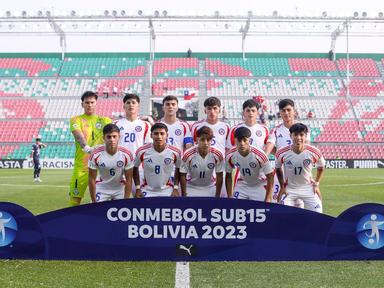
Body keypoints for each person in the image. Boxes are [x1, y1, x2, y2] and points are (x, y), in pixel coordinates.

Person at [69, 91, 112, 206]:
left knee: (106, 199)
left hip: (102, 167)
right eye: (87, 102)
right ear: (82, 104)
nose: (89, 105)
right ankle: (71, 223)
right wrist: (87, 148)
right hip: (82, 166)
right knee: (75, 198)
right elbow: (78, 135)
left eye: (92, 102)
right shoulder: (76, 119)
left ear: (96, 103)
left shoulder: (105, 121)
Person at [264, 98, 309, 205]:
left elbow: (307, 149)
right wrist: (267, 156)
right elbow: (269, 146)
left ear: (294, 111)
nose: (286, 113)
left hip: (299, 173)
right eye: (283, 110)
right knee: (279, 204)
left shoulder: (302, 129)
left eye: (289, 110)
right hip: (281, 172)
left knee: (298, 206)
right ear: (280, 113)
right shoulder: (276, 130)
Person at [275, 123, 325, 213]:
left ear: (306, 136)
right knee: (282, 214)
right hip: (289, 189)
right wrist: (282, 186)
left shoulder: (314, 152)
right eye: (295, 135)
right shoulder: (281, 153)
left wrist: (316, 184)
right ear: (290, 136)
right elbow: (278, 168)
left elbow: (321, 167)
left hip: (308, 188)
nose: (298, 138)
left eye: (301, 135)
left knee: (318, 214)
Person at [113, 93, 152, 196]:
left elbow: (148, 147)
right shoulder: (116, 124)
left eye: (133, 103)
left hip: (138, 167)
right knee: (118, 199)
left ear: (138, 105)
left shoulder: (145, 125)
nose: (131, 105)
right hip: (119, 166)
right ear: (124, 106)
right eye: (128, 103)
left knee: (139, 198)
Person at [88, 124, 134, 202]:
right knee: (97, 212)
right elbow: (91, 179)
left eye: (114, 136)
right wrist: (93, 200)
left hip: (119, 188)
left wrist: (126, 201)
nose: (112, 139)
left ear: (119, 136)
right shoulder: (95, 155)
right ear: (103, 138)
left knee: (122, 212)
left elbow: (129, 179)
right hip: (102, 188)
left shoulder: (126, 154)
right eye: (108, 137)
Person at [133, 123, 181, 197]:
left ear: (167, 135)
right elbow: (135, 168)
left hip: (167, 191)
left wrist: (175, 188)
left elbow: (178, 169)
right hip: (147, 190)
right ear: (151, 135)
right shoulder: (142, 151)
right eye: (156, 133)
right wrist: (138, 188)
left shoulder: (175, 152)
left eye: (162, 134)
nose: (159, 137)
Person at [225, 127, 274, 201]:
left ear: (249, 140)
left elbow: (270, 177)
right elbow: (228, 175)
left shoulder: (260, 155)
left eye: (245, 140)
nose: (242, 143)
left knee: (262, 210)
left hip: (259, 185)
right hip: (243, 185)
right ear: (235, 140)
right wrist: (229, 197)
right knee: (234, 209)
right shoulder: (230, 155)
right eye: (239, 140)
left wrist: (267, 198)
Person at [180, 126, 224, 197]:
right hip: (191, 187)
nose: (206, 143)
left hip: (210, 186)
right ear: (197, 140)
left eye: (208, 140)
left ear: (212, 140)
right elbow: (182, 175)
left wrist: (217, 196)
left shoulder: (218, 154)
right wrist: (184, 194)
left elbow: (219, 176)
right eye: (202, 139)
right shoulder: (188, 154)